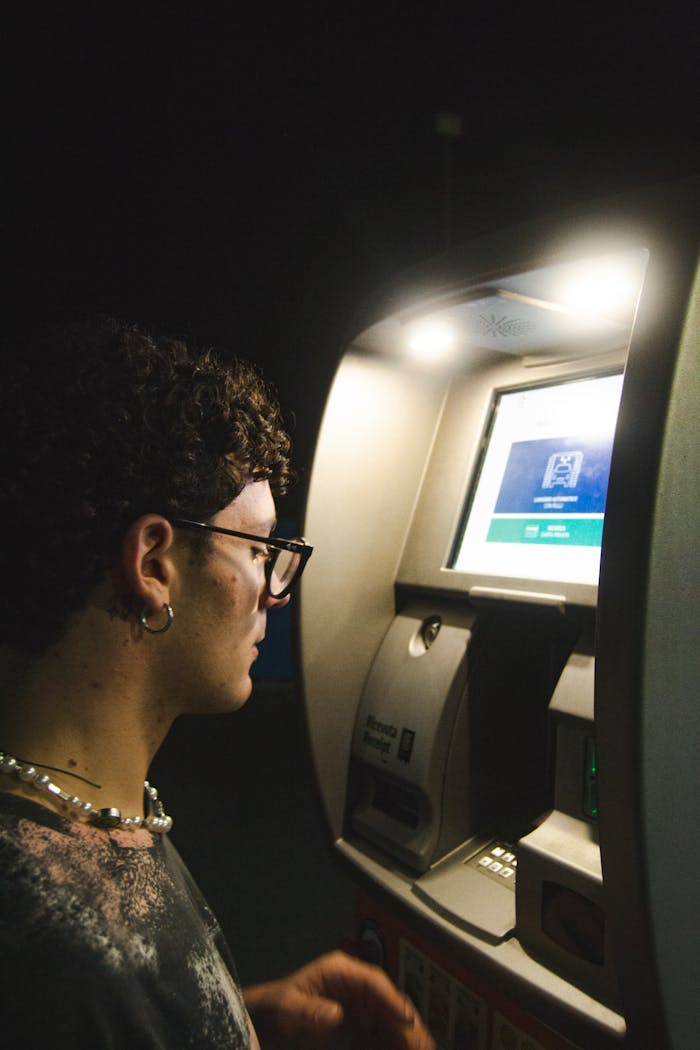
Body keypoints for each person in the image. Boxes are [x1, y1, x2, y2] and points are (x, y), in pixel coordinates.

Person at [0, 317, 435, 1050]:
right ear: (154, 566)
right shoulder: (62, 959)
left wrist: (242, 1017)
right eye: (262, 549)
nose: (276, 591)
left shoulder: (86, 825)